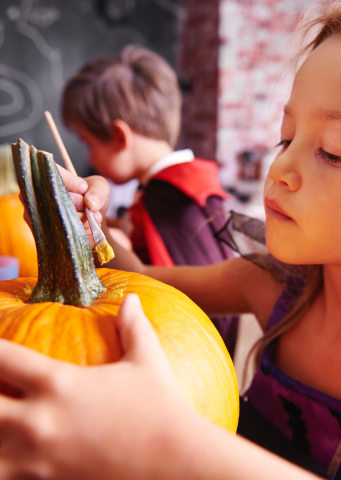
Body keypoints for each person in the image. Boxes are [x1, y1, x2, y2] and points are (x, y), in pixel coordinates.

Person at [0, 0, 341, 479]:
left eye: (332, 152)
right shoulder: (270, 286)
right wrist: (80, 232)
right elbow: (138, 282)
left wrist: (166, 444)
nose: (279, 169)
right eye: (286, 138)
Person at [61, 45, 239, 356]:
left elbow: (172, 290)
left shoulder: (170, 200)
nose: (89, 157)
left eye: (89, 144)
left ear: (120, 137)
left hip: (184, 351)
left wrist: (95, 235)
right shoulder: (188, 180)